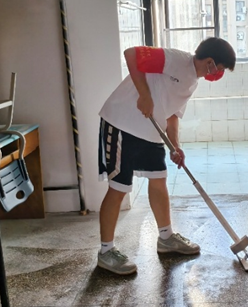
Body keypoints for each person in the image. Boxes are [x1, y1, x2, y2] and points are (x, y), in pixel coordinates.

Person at [96, 37, 236, 275]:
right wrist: (144, 95)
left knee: (159, 180)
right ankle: (106, 252)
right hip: (122, 123)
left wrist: (175, 146)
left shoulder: (192, 82)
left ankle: (166, 238)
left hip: (151, 129)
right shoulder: (175, 60)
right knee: (119, 188)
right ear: (211, 62)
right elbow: (131, 54)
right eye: (219, 68)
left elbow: (172, 116)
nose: (217, 74)